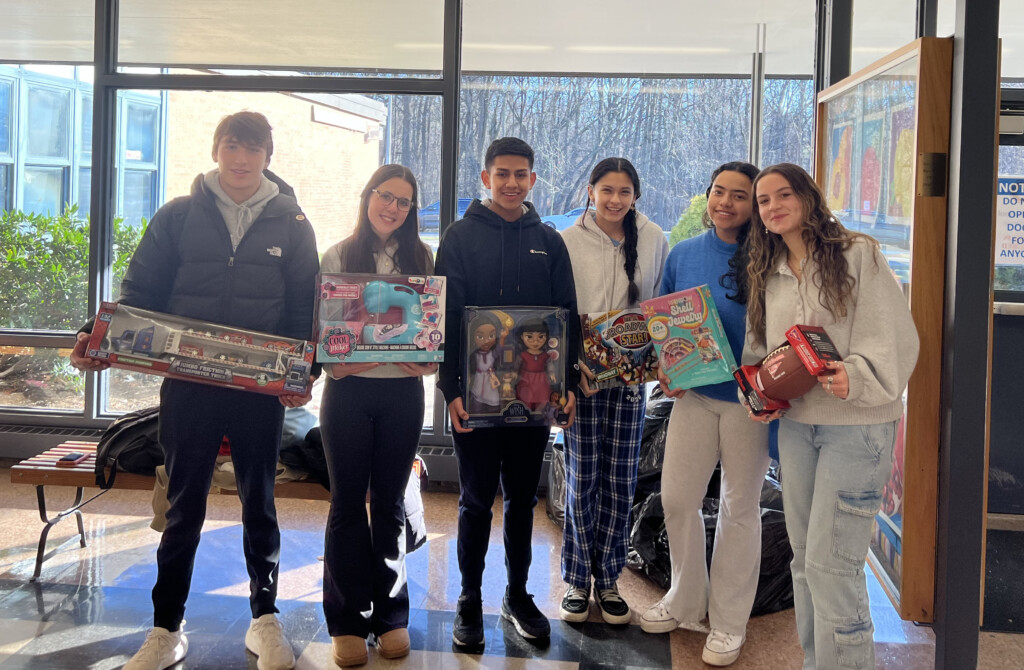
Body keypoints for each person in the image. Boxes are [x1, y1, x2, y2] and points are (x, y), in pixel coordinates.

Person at [69, 111, 318, 670]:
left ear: (267, 157)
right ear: (216, 150)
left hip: (260, 393)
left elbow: (306, 307)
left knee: (261, 504)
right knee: (183, 506)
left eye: (252, 150)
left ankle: (266, 619)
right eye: (232, 147)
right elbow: (138, 291)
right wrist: (94, 333)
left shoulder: (294, 222)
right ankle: (165, 628)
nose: (241, 160)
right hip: (188, 388)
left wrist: (307, 372)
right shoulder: (178, 215)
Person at [743, 163, 919, 670]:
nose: (772, 206)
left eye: (783, 195)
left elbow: (892, 334)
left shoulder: (856, 253)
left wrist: (856, 377)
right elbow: (763, 349)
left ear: (807, 196)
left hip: (857, 427)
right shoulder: (767, 267)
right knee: (805, 561)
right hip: (798, 427)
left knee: (832, 564)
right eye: (764, 200)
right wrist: (760, 393)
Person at [436, 136, 580, 648]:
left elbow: (567, 316)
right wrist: (449, 387)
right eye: (503, 174)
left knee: (522, 501)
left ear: (533, 180)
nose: (512, 183)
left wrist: (565, 389)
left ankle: (518, 594)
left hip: (534, 400)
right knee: (475, 502)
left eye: (521, 175)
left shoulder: (549, 239)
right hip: (474, 398)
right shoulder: (458, 236)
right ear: (486, 178)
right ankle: (469, 599)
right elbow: (446, 319)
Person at [639, 162, 770, 667]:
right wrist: (665, 367)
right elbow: (664, 321)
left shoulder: (769, 255)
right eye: (719, 192)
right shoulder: (685, 252)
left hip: (748, 403)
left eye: (740, 196)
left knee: (740, 508)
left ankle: (729, 621)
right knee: (676, 499)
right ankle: (685, 597)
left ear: (754, 204)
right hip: (693, 397)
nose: (726, 203)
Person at [317, 164, 437, 667]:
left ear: (412, 211)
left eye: (403, 202)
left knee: (389, 503)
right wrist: (335, 359)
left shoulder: (422, 256)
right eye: (384, 196)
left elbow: (433, 337)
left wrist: (430, 358)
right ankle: (346, 620)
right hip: (348, 394)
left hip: (401, 395)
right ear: (368, 197)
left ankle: (390, 615)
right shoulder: (338, 254)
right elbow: (321, 337)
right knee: (347, 502)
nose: (392, 207)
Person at [557, 157, 669, 625]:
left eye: (625, 192)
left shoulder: (655, 237)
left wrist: (663, 363)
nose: (615, 200)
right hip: (581, 377)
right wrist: (565, 369)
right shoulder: (565, 240)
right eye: (607, 190)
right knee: (583, 477)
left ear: (636, 196)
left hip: (629, 379)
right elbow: (558, 310)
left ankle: (609, 578)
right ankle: (578, 579)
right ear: (589, 190)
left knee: (620, 480)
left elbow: (660, 306)